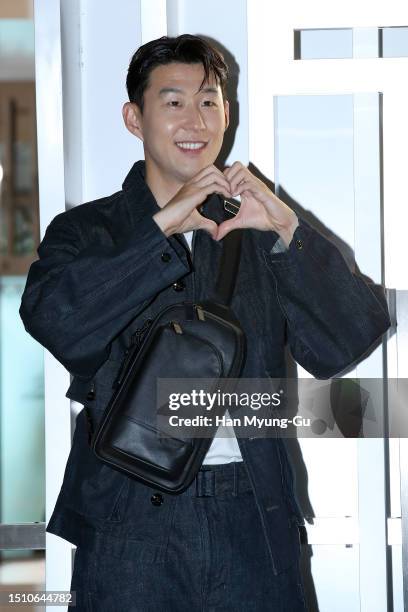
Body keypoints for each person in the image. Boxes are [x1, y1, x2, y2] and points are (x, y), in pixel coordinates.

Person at [19, 34, 391, 611]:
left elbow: (345, 342)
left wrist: (290, 229)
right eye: (173, 102)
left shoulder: (258, 224)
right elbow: (56, 321)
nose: (196, 119)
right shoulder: (88, 232)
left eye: (211, 101)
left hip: (252, 507)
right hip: (127, 516)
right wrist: (162, 226)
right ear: (133, 116)